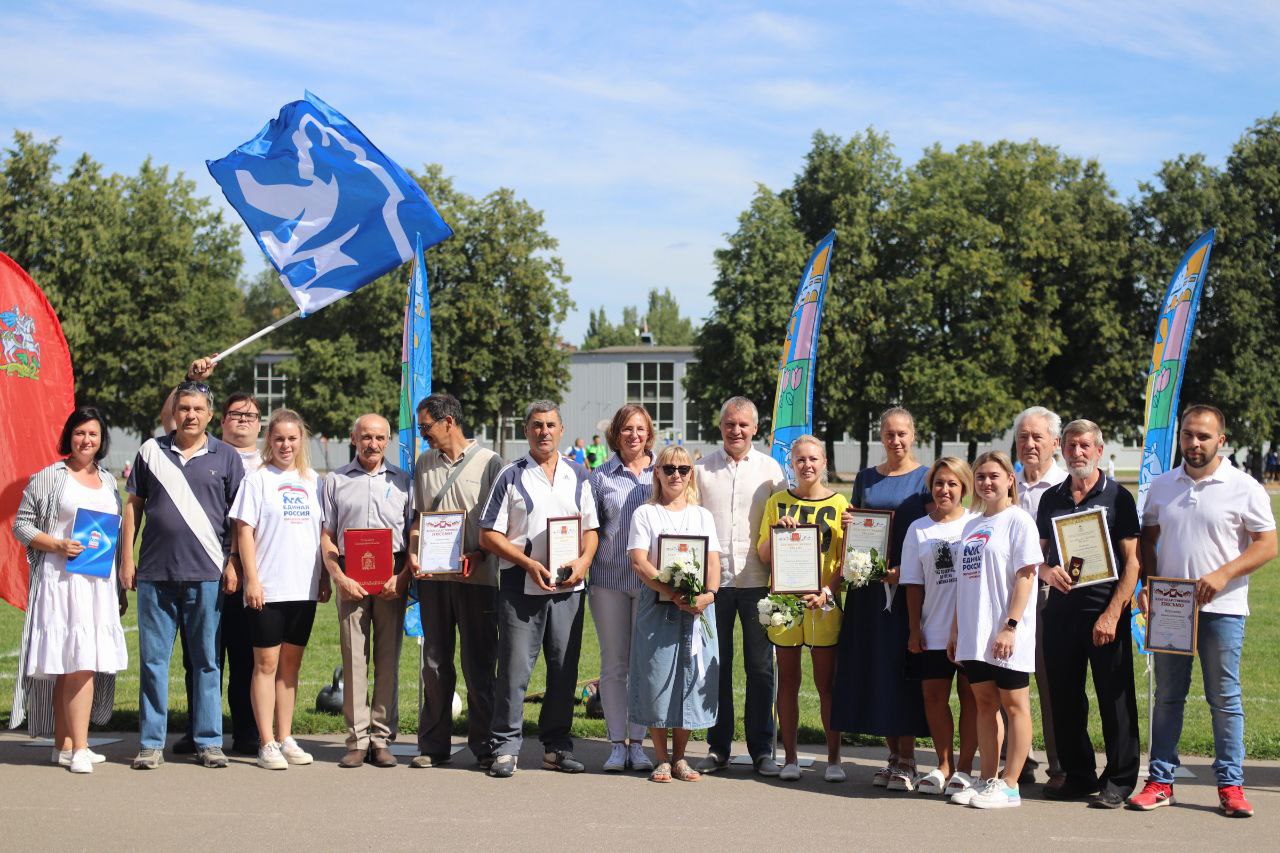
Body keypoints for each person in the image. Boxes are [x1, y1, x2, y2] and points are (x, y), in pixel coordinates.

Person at [1128, 405, 1277, 817]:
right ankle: (1160, 780)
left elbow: (1267, 544)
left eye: (1203, 437)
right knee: (1168, 698)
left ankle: (1231, 786)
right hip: (1172, 608)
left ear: (1221, 441)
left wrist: (1223, 574)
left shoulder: (1244, 487)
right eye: (1188, 435)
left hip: (1223, 609)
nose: (1194, 444)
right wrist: (1150, 588)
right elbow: (1148, 540)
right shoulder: (1161, 485)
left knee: (1224, 698)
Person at [121, 381, 243, 770]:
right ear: (174, 412)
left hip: (207, 573)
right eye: (183, 408)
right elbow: (132, 508)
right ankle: (151, 742)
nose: (190, 415)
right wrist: (127, 558)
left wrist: (234, 561)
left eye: (197, 409)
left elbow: (239, 518)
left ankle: (208, 741)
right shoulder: (150, 451)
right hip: (155, 574)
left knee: (207, 661)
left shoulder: (226, 457)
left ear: (210, 415)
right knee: (154, 661)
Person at [479, 401, 600, 778]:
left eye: (550, 425)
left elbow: (592, 530)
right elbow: (488, 535)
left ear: (561, 430)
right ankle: (505, 747)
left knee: (564, 672)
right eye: (536, 425)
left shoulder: (579, 474)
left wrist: (582, 563)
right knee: (514, 672)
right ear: (526, 430)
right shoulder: (511, 475)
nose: (544, 431)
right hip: (520, 586)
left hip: (568, 587)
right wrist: (527, 562)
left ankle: (557, 747)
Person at [12, 407, 128, 773]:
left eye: (93, 434)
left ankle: (63, 746)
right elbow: (21, 526)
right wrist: (57, 544)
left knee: (75, 663)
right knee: (78, 663)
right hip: (62, 583)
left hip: (98, 582)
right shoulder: (50, 477)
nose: (86, 440)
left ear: (101, 439)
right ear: (69, 436)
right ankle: (80, 747)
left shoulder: (108, 481)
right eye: (80, 433)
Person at [1036, 420, 1141, 808]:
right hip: (1061, 613)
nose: (1076, 452)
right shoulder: (1052, 498)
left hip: (1104, 613)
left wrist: (1113, 614)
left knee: (1115, 698)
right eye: (1070, 446)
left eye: (1084, 446)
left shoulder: (1118, 497)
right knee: (1065, 698)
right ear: (1061, 450)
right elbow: (1039, 556)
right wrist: (1047, 571)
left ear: (1098, 450)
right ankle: (1079, 775)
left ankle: (1120, 778)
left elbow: (1133, 564)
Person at [160, 357, 262, 756]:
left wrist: (241, 565)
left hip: (247, 572)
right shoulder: (197, 447)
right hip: (200, 567)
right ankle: (201, 727)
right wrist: (190, 380)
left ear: (260, 424)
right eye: (235, 413)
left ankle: (247, 730)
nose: (243, 419)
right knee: (199, 655)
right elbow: (174, 416)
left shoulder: (270, 459)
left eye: (250, 415)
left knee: (241, 654)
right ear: (219, 420)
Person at [405, 393, 504, 770]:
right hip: (433, 579)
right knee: (434, 661)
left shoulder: (490, 462)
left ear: (449, 422)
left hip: (477, 578)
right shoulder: (424, 463)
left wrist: (479, 554)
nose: (423, 434)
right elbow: (419, 520)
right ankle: (433, 744)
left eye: (426, 426)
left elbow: (499, 525)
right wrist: (415, 552)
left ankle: (484, 744)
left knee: (479, 664)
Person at [833, 407, 930, 790]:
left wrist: (901, 573)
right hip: (868, 591)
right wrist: (849, 524)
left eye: (902, 433)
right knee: (876, 670)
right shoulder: (866, 478)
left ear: (913, 435)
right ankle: (893, 757)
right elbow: (858, 525)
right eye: (889, 433)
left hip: (906, 589)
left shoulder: (925, 480)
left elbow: (931, 530)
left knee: (901, 670)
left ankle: (909, 758)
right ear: (880, 436)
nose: (896, 440)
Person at [230, 409, 330, 770]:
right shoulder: (256, 480)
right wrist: (252, 580)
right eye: (278, 438)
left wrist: (322, 578)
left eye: (291, 438)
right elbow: (244, 532)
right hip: (267, 587)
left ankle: (286, 737)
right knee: (266, 664)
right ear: (268, 441)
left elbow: (322, 533)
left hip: (302, 588)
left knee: (291, 666)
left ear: (300, 440)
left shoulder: (314, 481)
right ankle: (266, 741)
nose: (285, 445)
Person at [694, 396, 786, 776]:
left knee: (761, 668)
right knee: (717, 667)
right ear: (721, 427)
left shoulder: (771, 470)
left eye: (744, 425)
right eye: (730, 424)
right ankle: (718, 746)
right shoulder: (701, 471)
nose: (736, 431)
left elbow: (783, 520)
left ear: (755, 429)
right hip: (715, 583)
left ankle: (763, 748)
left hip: (757, 580)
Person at [948, 451, 1042, 810]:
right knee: (984, 705)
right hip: (975, 632)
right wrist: (957, 629)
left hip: (1006, 633)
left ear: (1010, 480)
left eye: (994, 476)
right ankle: (988, 780)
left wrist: (1010, 626)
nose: (987, 482)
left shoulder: (1019, 521)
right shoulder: (971, 525)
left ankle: (1011, 784)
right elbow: (963, 583)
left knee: (1015, 705)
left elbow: (1026, 575)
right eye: (982, 476)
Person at [320, 414, 413, 769]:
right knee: (354, 659)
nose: (372, 444)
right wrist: (338, 576)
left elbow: (413, 531)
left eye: (379, 437)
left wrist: (403, 576)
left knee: (388, 659)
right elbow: (327, 534)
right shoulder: (336, 481)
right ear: (354, 439)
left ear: (387, 440)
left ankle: (381, 738)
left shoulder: (404, 480)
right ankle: (357, 739)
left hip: (391, 577)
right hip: (350, 577)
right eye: (365, 437)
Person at [756, 435, 849, 782]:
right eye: (800, 460)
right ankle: (791, 758)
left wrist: (828, 590)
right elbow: (764, 555)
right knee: (788, 683)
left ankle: (834, 759)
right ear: (791, 465)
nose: (807, 465)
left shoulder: (840, 504)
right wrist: (777, 531)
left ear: (824, 462)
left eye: (813, 459)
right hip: (785, 604)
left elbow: (844, 561)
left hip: (823, 602)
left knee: (827, 684)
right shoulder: (778, 502)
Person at [627, 445, 721, 782]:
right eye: (669, 469)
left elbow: (712, 561)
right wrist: (671, 592)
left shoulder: (702, 516)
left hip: (697, 610)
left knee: (689, 679)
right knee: (656, 678)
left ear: (690, 474)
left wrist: (707, 596)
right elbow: (639, 561)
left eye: (682, 469)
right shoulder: (645, 513)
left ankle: (681, 758)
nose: (676, 475)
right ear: (657, 473)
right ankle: (661, 758)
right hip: (658, 605)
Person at [901, 456, 978, 797]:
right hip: (933, 628)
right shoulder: (918, 528)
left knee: (972, 699)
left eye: (952, 484)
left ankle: (965, 768)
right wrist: (915, 629)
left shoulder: (978, 523)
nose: (944, 489)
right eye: (938, 483)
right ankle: (944, 764)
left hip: (973, 629)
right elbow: (913, 584)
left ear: (964, 487)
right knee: (934, 697)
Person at [587, 404, 656, 772]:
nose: (633, 435)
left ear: (649, 433)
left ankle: (639, 743)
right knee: (614, 665)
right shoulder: (600, 477)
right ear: (616, 433)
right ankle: (616, 743)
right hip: (609, 581)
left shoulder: (665, 470)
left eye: (640, 429)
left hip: (650, 583)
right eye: (627, 429)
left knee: (643, 665)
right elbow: (590, 531)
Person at [1013, 405, 1068, 787]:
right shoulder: (1003, 483)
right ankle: (1018, 760)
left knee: (1053, 684)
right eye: (1022, 437)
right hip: (1009, 596)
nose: (1030, 444)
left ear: (1055, 443)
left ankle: (1060, 766)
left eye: (1037, 437)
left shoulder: (1067, 487)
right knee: (1009, 680)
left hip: (1052, 595)